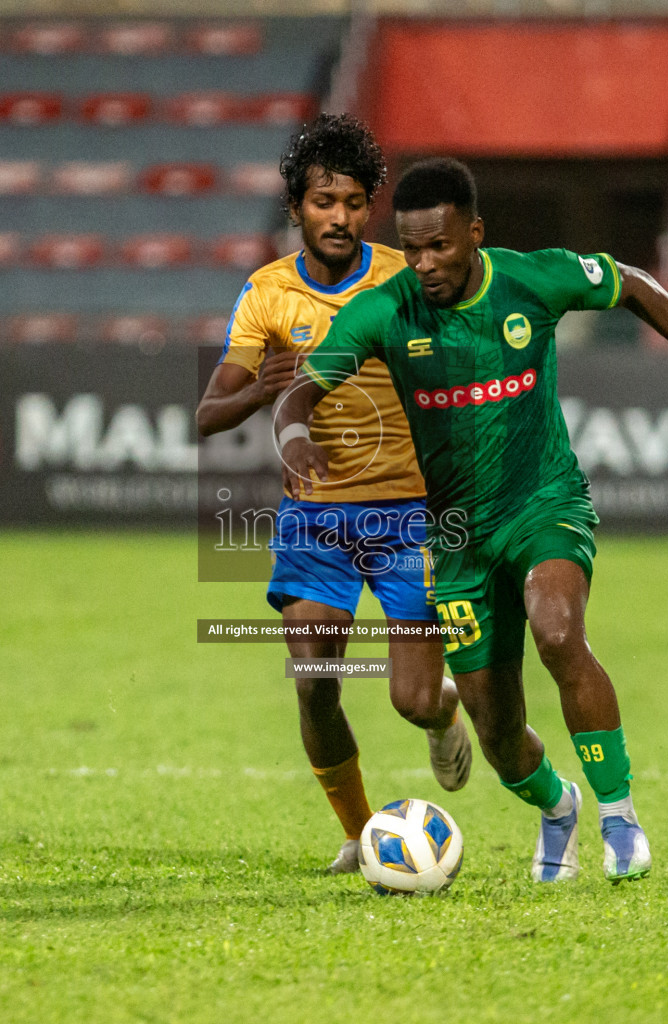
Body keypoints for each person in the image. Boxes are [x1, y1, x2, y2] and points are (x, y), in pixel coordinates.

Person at [274, 158, 668, 883]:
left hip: (543, 503)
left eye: (441, 246)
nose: (426, 264)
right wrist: (296, 436)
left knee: (558, 628)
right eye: (412, 249)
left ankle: (619, 816)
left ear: (475, 233)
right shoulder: (385, 313)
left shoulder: (534, 279)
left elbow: (633, 283)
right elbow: (296, 394)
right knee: (497, 735)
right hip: (459, 541)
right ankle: (557, 805)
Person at [196, 117, 472, 875]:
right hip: (316, 519)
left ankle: (442, 709)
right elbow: (206, 414)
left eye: (354, 201)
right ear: (297, 208)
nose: (340, 217)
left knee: (410, 699)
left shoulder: (402, 281)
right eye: (324, 201)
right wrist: (261, 390)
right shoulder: (266, 296)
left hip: (411, 513)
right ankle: (359, 834)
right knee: (314, 680)